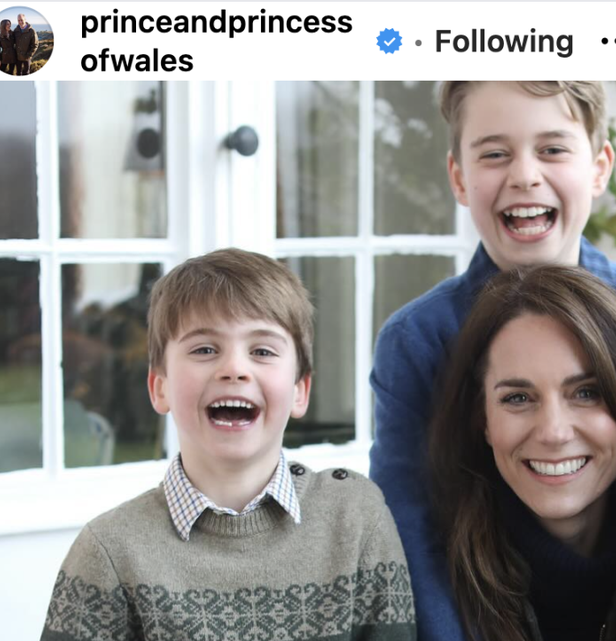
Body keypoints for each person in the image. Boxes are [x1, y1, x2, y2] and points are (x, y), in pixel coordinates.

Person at [368, 81, 616, 640]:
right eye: (494, 153)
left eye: (553, 149)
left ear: (599, 167)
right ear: (459, 177)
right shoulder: (418, 341)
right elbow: (412, 538)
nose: (524, 175)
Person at [41, 248, 416, 641]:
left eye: (262, 351)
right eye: (204, 349)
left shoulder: (356, 518)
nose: (235, 369)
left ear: (300, 391)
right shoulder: (109, 553)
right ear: (160, 388)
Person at [428, 265, 616, 641]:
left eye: (586, 393)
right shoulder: (431, 582)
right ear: (482, 420)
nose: (553, 432)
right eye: (517, 398)